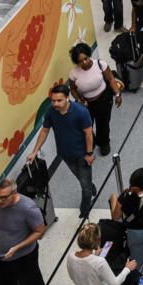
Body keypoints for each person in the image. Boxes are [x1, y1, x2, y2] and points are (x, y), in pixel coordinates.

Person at [29, 82, 96, 220]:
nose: (55, 104)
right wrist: (35, 151)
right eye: (53, 101)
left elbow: (88, 133)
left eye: (59, 100)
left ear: (67, 97)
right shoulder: (51, 112)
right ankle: (90, 185)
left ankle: (85, 209)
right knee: (80, 177)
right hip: (65, 154)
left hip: (82, 154)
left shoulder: (81, 112)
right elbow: (45, 130)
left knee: (84, 186)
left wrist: (89, 154)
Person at [67, 43, 121, 158]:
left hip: (104, 99)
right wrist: (78, 100)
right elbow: (72, 89)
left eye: (86, 58)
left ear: (89, 55)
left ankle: (104, 143)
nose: (84, 62)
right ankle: (91, 141)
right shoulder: (73, 74)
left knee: (103, 124)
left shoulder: (100, 64)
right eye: (80, 61)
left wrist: (117, 94)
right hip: (85, 104)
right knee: (86, 126)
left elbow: (111, 79)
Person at [65, 222, 134, 285]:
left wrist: (95, 255)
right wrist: (127, 268)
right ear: (98, 240)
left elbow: (75, 275)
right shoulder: (99, 262)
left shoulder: (70, 256)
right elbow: (114, 284)